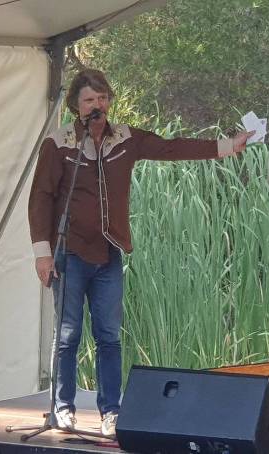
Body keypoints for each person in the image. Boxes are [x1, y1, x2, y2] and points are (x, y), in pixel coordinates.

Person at [28, 69, 253, 436]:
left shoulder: (125, 138)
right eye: (89, 100)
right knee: (68, 335)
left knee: (109, 336)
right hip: (70, 252)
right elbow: (40, 197)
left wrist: (227, 145)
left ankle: (111, 412)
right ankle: (62, 408)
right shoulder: (59, 144)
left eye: (102, 98)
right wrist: (43, 252)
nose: (97, 105)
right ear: (75, 105)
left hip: (109, 251)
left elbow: (171, 148)